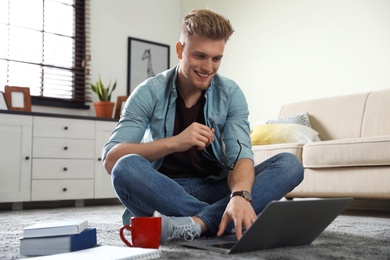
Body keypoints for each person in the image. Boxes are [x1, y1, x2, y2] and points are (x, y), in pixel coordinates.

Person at [102, 9, 304, 243]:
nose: (208, 67)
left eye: (216, 58)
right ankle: (222, 220)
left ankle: (197, 224)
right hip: (160, 190)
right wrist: (175, 142)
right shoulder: (148, 92)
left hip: (214, 188)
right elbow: (110, 159)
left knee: (290, 165)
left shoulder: (231, 94)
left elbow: (241, 156)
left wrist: (240, 195)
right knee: (125, 167)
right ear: (180, 50)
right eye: (200, 56)